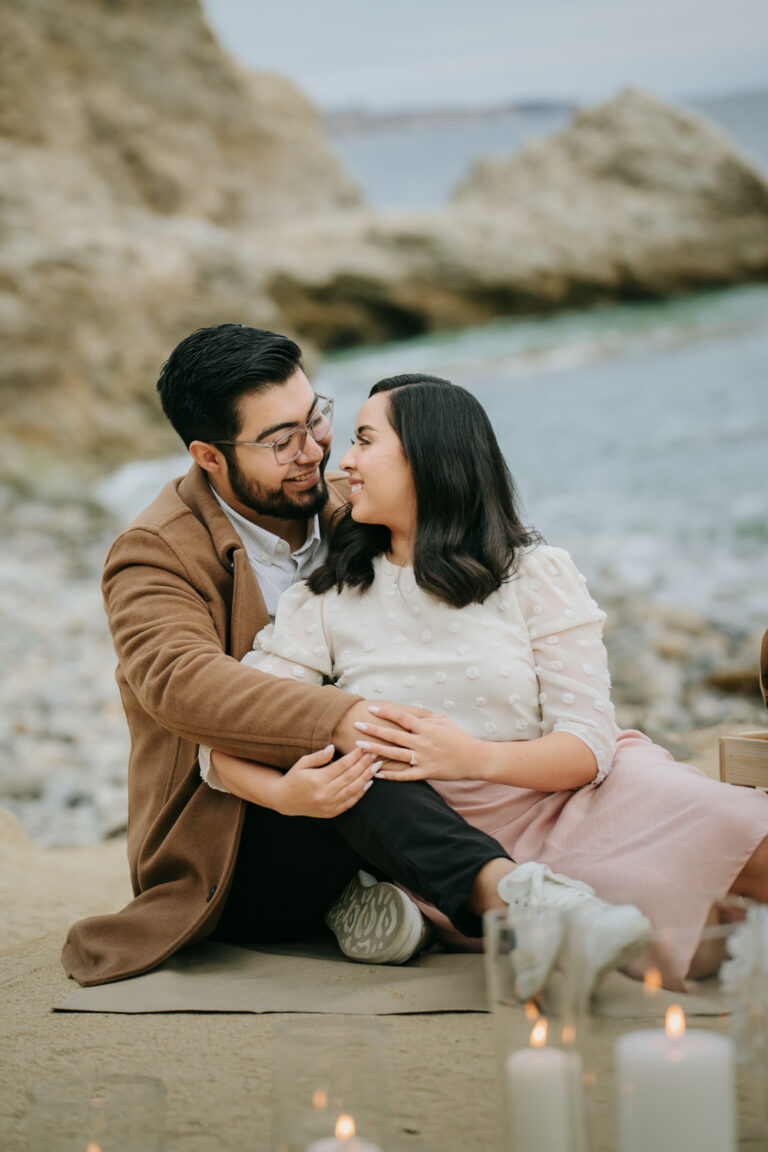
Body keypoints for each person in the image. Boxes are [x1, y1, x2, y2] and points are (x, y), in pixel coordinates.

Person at [62, 328, 646, 989]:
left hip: (403, 806)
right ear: (210, 456)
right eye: (282, 441)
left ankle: (389, 898)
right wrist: (340, 721)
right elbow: (181, 684)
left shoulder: (352, 505)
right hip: (243, 832)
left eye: (317, 419)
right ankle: (524, 903)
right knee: (358, 749)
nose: (319, 451)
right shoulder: (154, 553)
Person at [202, 372, 768, 992]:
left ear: (430, 457)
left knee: (750, 842)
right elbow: (226, 736)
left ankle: (413, 912)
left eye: (365, 441)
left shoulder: (533, 572)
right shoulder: (328, 598)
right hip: (462, 843)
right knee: (708, 943)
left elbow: (587, 747)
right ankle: (450, 905)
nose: (346, 460)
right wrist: (285, 797)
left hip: (587, 794)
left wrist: (472, 756)